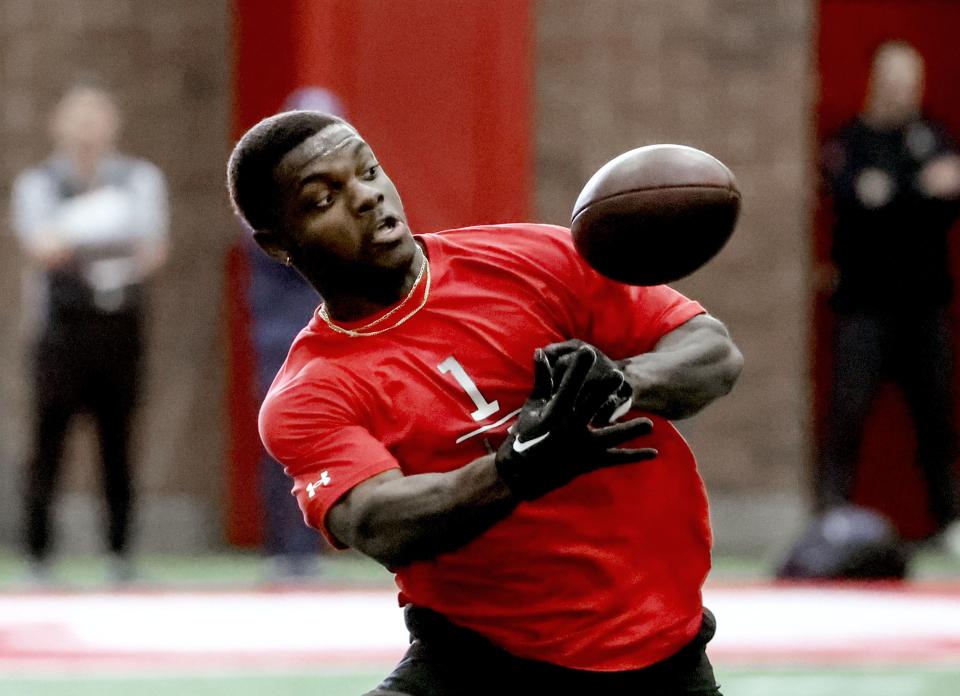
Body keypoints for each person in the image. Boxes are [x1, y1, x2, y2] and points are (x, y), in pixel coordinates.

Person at [226, 110, 742, 695]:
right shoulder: (309, 391)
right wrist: (516, 467)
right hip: (476, 662)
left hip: (657, 655)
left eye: (368, 171)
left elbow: (712, 352)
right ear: (276, 244)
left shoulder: (533, 257)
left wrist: (618, 385)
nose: (366, 197)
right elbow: (379, 521)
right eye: (323, 199)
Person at [11, 83, 169, 582]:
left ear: (113, 123)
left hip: (119, 323)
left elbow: (150, 249)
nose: (86, 129)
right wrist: (104, 224)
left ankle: (120, 554)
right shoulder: (38, 184)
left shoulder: (140, 179)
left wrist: (74, 234)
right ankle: (38, 555)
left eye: (95, 117)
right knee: (48, 442)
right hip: (61, 331)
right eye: (76, 118)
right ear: (58, 125)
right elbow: (43, 247)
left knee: (118, 441)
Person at [816, 41, 960, 553]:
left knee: (937, 420)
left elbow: (936, 194)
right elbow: (859, 201)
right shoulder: (851, 141)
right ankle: (830, 516)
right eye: (895, 79)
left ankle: (949, 522)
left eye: (911, 80)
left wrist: (894, 193)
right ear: (877, 81)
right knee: (848, 414)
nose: (904, 91)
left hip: (924, 305)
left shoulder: (932, 136)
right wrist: (916, 190)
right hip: (864, 305)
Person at [246, 88, 345, 581]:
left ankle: (311, 549)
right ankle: (281, 548)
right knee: (284, 444)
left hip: (336, 336)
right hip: (286, 336)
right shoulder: (268, 203)